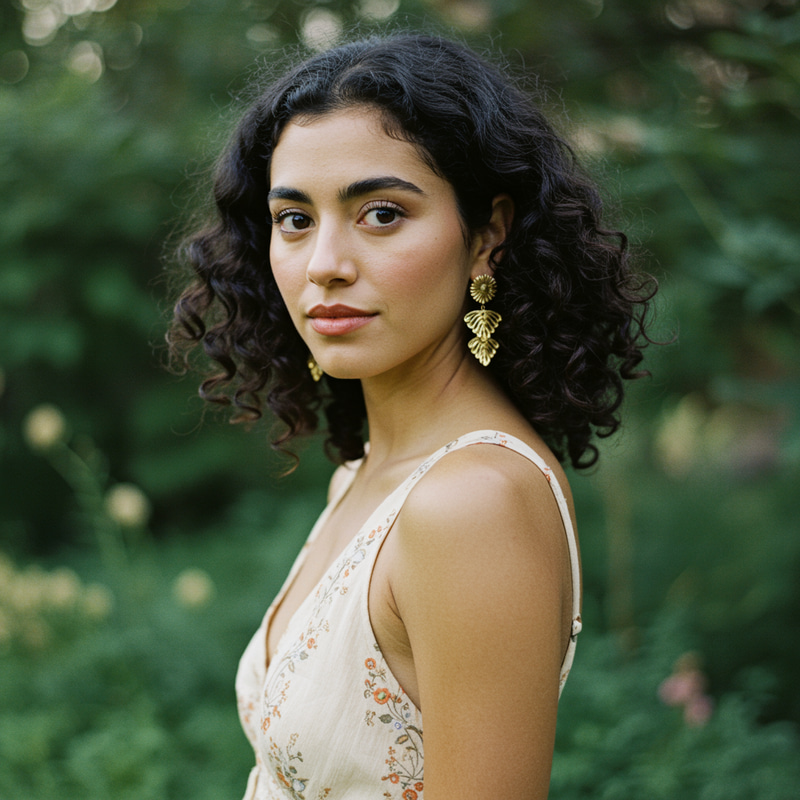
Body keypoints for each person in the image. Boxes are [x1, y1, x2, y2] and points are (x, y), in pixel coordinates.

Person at [167, 32, 654, 800]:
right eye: (294, 219)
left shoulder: (471, 504)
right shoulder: (366, 474)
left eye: (381, 212)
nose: (325, 261)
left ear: (487, 234)